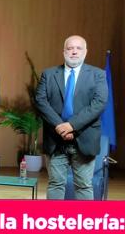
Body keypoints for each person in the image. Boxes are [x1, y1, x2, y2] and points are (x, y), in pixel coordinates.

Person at [35, 35, 108, 200]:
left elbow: (99, 103)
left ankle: (83, 225)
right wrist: (61, 127)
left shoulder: (98, 74)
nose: (74, 52)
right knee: (55, 183)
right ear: (64, 51)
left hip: (85, 137)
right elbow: (40, 101)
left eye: (78, 48)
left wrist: (71, 126)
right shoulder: (48, 74)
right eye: (70, 48)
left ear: (85, 52)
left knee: (83, 185)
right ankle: (56, 223)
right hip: (55, 138)